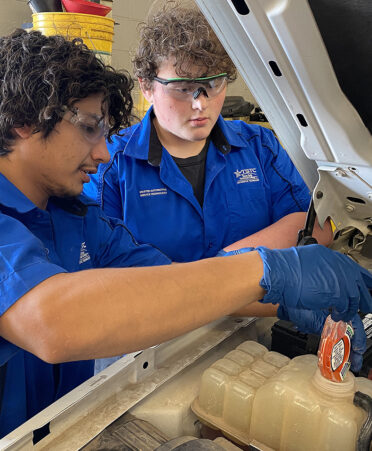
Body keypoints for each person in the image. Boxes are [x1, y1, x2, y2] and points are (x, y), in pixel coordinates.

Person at [0, 29, 371, 439]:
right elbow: (53, 323)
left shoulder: (75, 215)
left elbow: (171, 283)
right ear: (22, 121)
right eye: (89, 128)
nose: (104, 152)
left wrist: (285, 304)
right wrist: (271, 269)